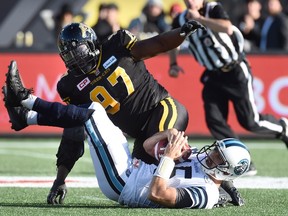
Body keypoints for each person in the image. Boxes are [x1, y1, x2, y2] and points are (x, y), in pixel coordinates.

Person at [8, 21, 203, 204]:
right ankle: (207, 177)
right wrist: (61, 178)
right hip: (140, 136)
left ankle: (27, 110)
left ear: (92, 44)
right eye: (70, 57)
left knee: (163, 150)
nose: (77, 59)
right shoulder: (70, 85)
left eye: (80, 51)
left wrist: (181, 33)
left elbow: (158, 43)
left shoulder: (117, 46)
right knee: (142, 176)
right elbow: (74, 129)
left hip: (161, 108)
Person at [2, 68, 251, 209]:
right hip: (131, 170)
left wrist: (168, 159)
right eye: (215, 149)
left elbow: (157, 193)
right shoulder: (203, 162)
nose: (210, 153)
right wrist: (165, 136)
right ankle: (27, 117)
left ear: (226, 171)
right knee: (98, 111)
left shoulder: (206, 195)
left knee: (90, 118)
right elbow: (144, 146)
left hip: (124, 185)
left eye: (218, 155)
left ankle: (25, 100)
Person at [168, 0, 288, 205]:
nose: (190, 1)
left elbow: (227, 27)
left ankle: (283, 127)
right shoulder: (180, 18)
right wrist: (173, 63)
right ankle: (241, 156)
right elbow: (173, 41)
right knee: (214, 120)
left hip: (234, 69)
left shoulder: (213, 8)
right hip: (213, 75)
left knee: (250, 122)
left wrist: (200, 19)